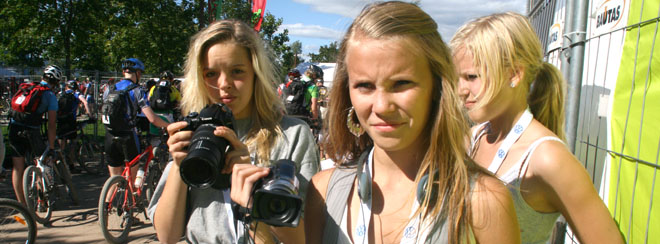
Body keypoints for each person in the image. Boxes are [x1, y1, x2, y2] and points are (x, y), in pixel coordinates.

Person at [305, 2, 520, 244]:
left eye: (401, 84)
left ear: (437, 87)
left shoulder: (484, 200)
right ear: (348, 93)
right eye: (365, 86)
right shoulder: (323, 192)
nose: (382, 106)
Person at [450, 12, 623, 244]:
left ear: (514, 74)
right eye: (457, 78)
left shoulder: (547, 158)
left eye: (472, 76)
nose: (461, 90)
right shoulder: (473, 137)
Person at [149, 20, 319, 244]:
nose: (224, 83)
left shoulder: (292, 134)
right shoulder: (195, 133)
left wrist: (257, 195)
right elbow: (167, 236)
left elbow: (306, 236)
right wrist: (180, 165)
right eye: (211, 74)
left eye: (237, 71)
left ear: (255, 74)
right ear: (199, 78)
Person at [101, 58, 169, 179]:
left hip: (109, 135)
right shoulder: (137, 90)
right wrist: (168, 125)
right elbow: (152, 118)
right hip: (127, 136)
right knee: (131, 177)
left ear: (123, 73)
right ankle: (129, 196)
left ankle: (108, 198)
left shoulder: (109, 89)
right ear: (138, 73)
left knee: (114, 176)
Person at [7, 65, 61, 204]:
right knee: (43, 162)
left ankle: (22, 204)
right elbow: (51, 123)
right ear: (56, 82)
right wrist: (51, 146)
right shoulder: (49, 95)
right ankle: (41, 200)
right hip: (32, 131)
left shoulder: (27, 87)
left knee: (17, 167)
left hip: (14, 128)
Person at [57, 80, 92, 172]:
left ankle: (59, 163)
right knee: (72, 143)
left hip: (60, 120)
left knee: (61, 143)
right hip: (70, 121)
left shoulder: (61, 94)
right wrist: (89, 114)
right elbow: (85, 102)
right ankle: (71, 166)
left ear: (66, 87)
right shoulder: (76, 94)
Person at [147, 70, 181, 145]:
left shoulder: (154, 88)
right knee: (171, 134)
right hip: (168, 114)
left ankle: (154, 148)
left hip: (154, 115)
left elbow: (149, 99)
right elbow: (179, 103)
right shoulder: (174, 89)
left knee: (154, 135)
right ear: (172, 79)